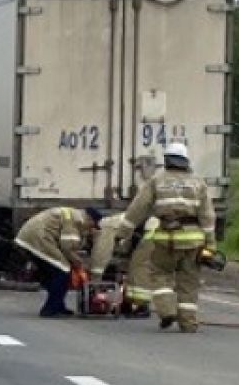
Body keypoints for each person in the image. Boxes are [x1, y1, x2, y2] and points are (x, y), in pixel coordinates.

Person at [117, 142, 216, 333]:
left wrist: (122, 233)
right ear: (186, 160)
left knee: (160, 274)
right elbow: (207, 215)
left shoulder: (156, 180)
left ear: (166, 160)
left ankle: (167, 310)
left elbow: (137, 209)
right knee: (189, 282)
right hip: (194, 240)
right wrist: (210, 244)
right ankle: (188, 323)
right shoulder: (198, 182)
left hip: (166, 239)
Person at [14, 205, 103, 317]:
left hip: (30, 237)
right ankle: (50, 309)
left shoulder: (73, 215)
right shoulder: (75, 220)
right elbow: (68, 248)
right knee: (62, 271)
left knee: (55, 273)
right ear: (89, 219)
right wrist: (79, 263)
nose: (91, 230)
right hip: (39, 239)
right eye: (92, 226)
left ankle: (58, 305)